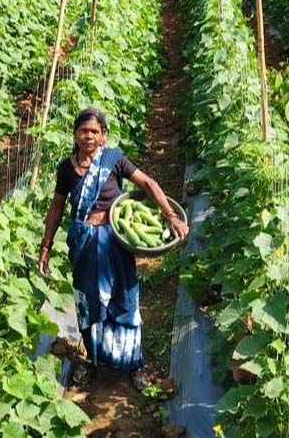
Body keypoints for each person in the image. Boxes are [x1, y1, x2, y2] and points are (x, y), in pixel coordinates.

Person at [38, 108, 190, 390]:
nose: (89, 136)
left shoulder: (114, 159)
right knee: (89, 301)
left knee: (123, 298)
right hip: (85, 244)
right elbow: (57, 207)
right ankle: (92, 360)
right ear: (75, 135)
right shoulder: (66, 169)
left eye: (95, 131)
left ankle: (133, 364)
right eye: (83, 131)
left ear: (103, 136)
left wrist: (170, 214)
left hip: (114, 241)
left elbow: (147, 183)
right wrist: (46, 245)